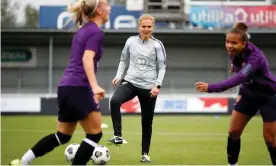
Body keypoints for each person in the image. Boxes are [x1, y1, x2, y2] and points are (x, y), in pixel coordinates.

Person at [10, 0, 111, 165]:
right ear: (99, 10)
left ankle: (23, 161)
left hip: (66, 87)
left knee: (62, 135)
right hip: (78, 87)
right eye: (106, 5)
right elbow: (87, 59)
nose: (109, 8)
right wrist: (94, 86)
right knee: (95, 134)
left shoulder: (81, 31)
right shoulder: (96, 32)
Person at [195, 23, 276, 166]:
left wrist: (211, 88)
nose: (229, 46)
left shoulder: (255, 57)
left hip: (269, 96)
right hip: (248, 94)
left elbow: (239, 78)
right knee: (233, 132)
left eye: (234, 43)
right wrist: (241, 89)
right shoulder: (234, 53)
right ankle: (232, 165)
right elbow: (242, 73)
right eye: (227, 42)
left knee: (270, 139)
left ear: (244, 44)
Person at [107, 14, 167, 162]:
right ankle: (118, 136)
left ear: (152, 27)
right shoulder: (130, 41)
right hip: (131, 82)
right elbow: (123, 59)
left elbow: (162, 67)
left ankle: (145, 154)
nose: (146, 29)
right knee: (114, 101)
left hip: (149, 88)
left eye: (149, 27)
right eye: (143, 26)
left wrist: (157, 85)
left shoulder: (157, 45)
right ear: (138, 27)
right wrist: (118, 75)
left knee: (146, 122)